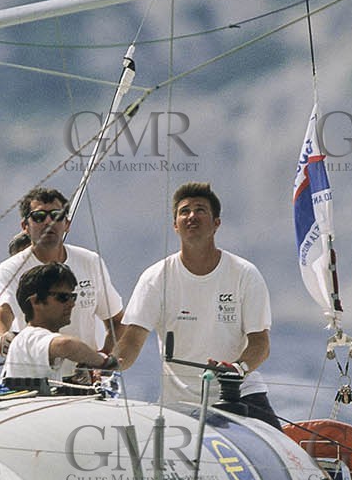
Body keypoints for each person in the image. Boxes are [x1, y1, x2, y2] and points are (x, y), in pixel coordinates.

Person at [109, 182, 281, 428]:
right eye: (184, 211)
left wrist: (237, 369)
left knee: (279, 459)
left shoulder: (244, 274)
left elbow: (260, 344)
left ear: (216, 223)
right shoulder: (155, 277)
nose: (192, 216)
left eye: (200, 210)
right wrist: (106, 367)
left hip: (238, 393)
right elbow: (132, 340)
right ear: (175, 225)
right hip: (179, 404)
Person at [0, 187, 123, 367]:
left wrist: (101, 362)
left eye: (56, 215)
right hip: (38, 381)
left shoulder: (90, 261)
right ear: (25, 227)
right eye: (39, 217)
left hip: (86, 381)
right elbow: (0, 315)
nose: (48, 222)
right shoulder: (11, 268)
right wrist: (3, 340)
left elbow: (117, 321)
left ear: (67, 224)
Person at [0, 263, 117, 391]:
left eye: (73, 297)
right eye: (63, 297)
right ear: (35, 301)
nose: (72, 304)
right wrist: (104, 362)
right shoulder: (30, 337)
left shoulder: (31, 339)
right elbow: (66, 345)